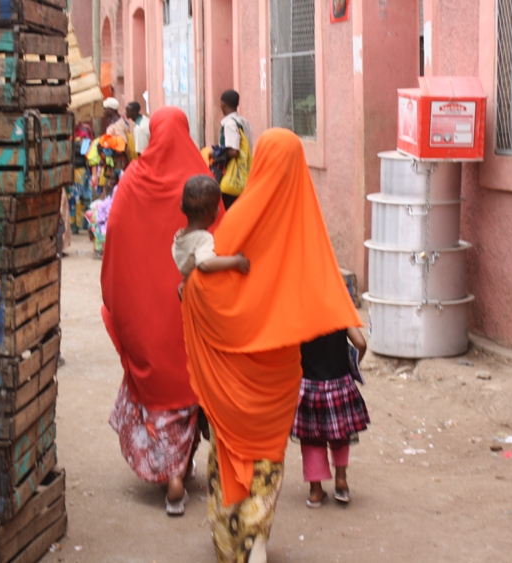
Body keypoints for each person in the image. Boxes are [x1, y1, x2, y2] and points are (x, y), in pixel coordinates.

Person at [181, 128, 361, 562]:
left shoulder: (235, 222)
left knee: (227, 449)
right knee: (265, 459)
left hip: (230, 381)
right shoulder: (305, 230)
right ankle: (255, 540)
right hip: (274, 382)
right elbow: (324, 291)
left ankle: (229, 537)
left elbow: (199, 286)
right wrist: (354, 332)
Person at [102, 107, 221, 517]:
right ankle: (181, 469)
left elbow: (115, 234)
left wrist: (125, 294)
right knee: (187, 388)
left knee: (160, 391)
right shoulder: (200, 176)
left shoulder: (133, 178)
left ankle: (172, 478)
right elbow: (221, 237)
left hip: (145, 312)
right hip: (187, 311)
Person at [293, 327, 370, 508]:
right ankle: (341, 481)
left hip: (308, 385)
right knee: (340, 432)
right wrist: (352, 364)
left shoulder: (300, 313)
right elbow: (360, 343)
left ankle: (315, 491)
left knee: (311, 439)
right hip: (339, 383)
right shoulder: (339, 310)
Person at [172, 175, 249, 279]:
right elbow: (204, 264)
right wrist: (236, 261)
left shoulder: (180, 235)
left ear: (182, 207)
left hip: (190, 281)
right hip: (203, 285)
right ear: (216, 213)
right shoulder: (202, 238)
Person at [218, 89, 253, 209]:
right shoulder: (244, 122)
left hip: (232, 177)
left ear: (223, 104)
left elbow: (234, 151)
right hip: (245, 173)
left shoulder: (230, 124)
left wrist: (215, 154)